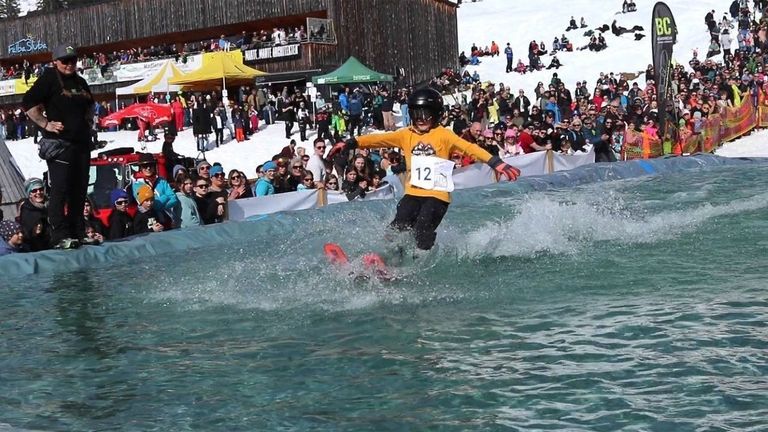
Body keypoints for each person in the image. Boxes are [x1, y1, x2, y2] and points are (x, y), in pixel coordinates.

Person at [330, 88, 520, 251]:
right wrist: (351, 143)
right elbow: (378, 139)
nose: (421, 119)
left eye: (426, 114)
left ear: (436, 114)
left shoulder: (444, 135)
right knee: (396, 228)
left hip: (437, 197)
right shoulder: (406, 134)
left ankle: (421, 258)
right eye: (416, 114)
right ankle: (390, 258)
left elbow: (470, 148)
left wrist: (496, 162)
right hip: (413, 194)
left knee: (421, 231)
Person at [22, 44, 95, 249]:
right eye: (65, 60)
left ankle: (78, 232)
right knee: (60, 189)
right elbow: (28, 102)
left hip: (81, 143)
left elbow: (90, 104)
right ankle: (59, 235)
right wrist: (45, 123)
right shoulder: (49, 79)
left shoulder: (80, 82)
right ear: (55, 61)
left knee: (79, 189)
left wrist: (88, 122)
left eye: (73, 60)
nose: (70, 64)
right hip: (60, 144)